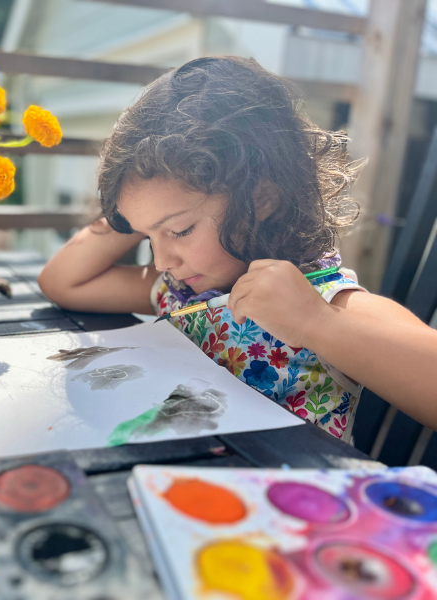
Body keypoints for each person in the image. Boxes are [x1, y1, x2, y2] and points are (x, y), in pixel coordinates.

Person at [38, 56, 437, 442]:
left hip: (293, 499)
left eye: (179, 230)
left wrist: (317, 324)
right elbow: (63, 282)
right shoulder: (182, 294)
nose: (161, 261)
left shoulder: (324, 300)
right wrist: (140, 204)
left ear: (262, 199)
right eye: (147, 238)